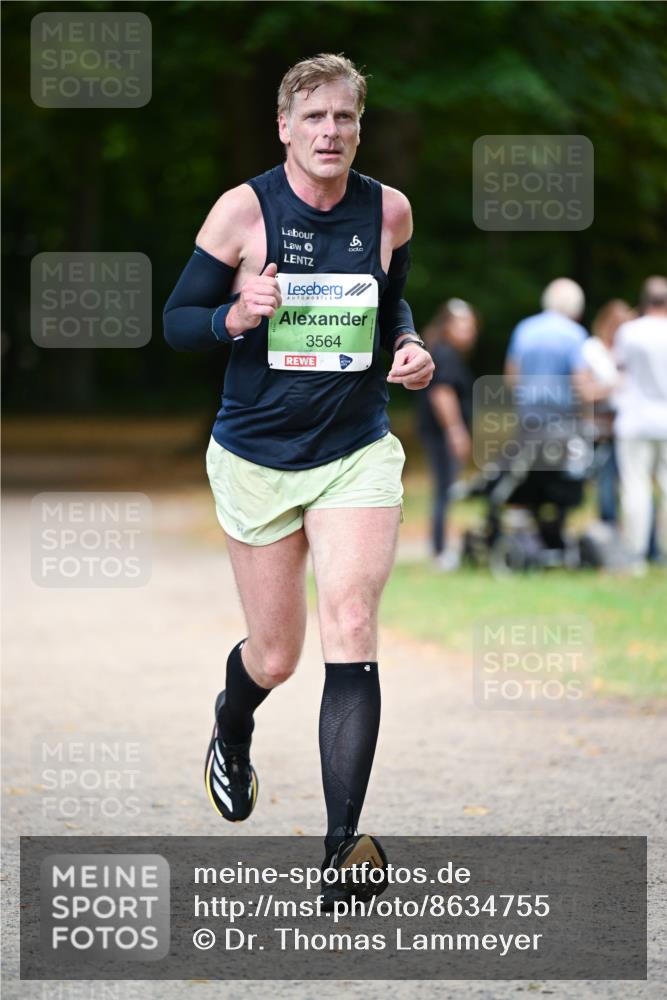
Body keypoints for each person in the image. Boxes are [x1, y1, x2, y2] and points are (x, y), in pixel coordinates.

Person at [163, 54, 433, 903]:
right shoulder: (242, 211)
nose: (330, 133)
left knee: (350, 618)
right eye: (313, 117)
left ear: (360, 126)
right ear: (284, 126)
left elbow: (391, 304)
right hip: (255, 455)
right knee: (275, 657)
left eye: (344, 118)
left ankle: (341, 849)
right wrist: (232, 314)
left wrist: (410, 347)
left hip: (356, 448)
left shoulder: (387, 210)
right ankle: (231, 721)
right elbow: (176, 323)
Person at [503, 278, 596, 551]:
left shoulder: (525, 329)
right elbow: (581, 384)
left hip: (528, 420)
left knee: (528, 479)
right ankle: (555, 535)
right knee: (562, 483)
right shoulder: (575, 334)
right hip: (562, 423)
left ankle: (530, 539)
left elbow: (511, 378)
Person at [417, 299, 478, 569]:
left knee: (443, 489)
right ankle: (440, 551)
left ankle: (440, 547)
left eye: (471, 325)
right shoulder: (445, 354)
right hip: (442, 433)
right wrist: (455, 430)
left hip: (439, 432)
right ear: (447, 325)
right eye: (462, 325)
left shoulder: (442, 351)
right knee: (444, 490)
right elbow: (442, 393)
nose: (468, 331)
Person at [613, 276, 667, 574]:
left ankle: (635, 556)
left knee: (636, 487)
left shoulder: (630, 332)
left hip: (636, 419)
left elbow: (619, 369)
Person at [582, 300, 633, 525]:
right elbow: (586, 392)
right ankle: (608, 527)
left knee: (633, 485)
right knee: (606, 481)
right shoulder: (592, 350)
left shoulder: (631, 350)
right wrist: (615, 386)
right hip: (602, 428)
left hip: (630, 427)